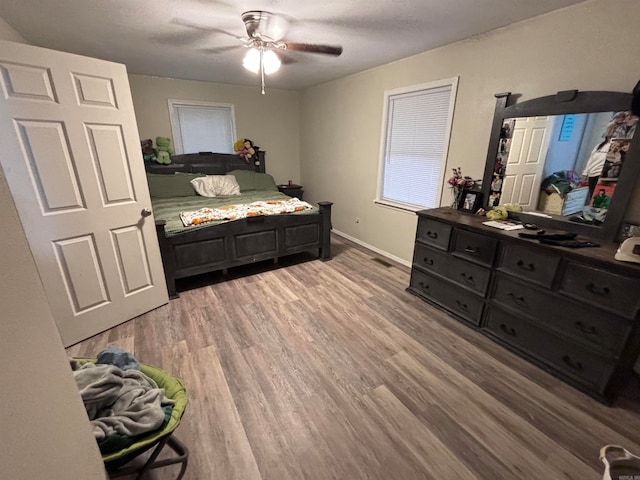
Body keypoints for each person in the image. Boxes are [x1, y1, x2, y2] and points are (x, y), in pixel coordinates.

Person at [581, 136, 611, 201]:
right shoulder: (599, 146)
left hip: (602, 175)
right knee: (593, 197)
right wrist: (585, 173)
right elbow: (591, 159)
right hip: (592, 174)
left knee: (602, 197)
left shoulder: (613, 146)